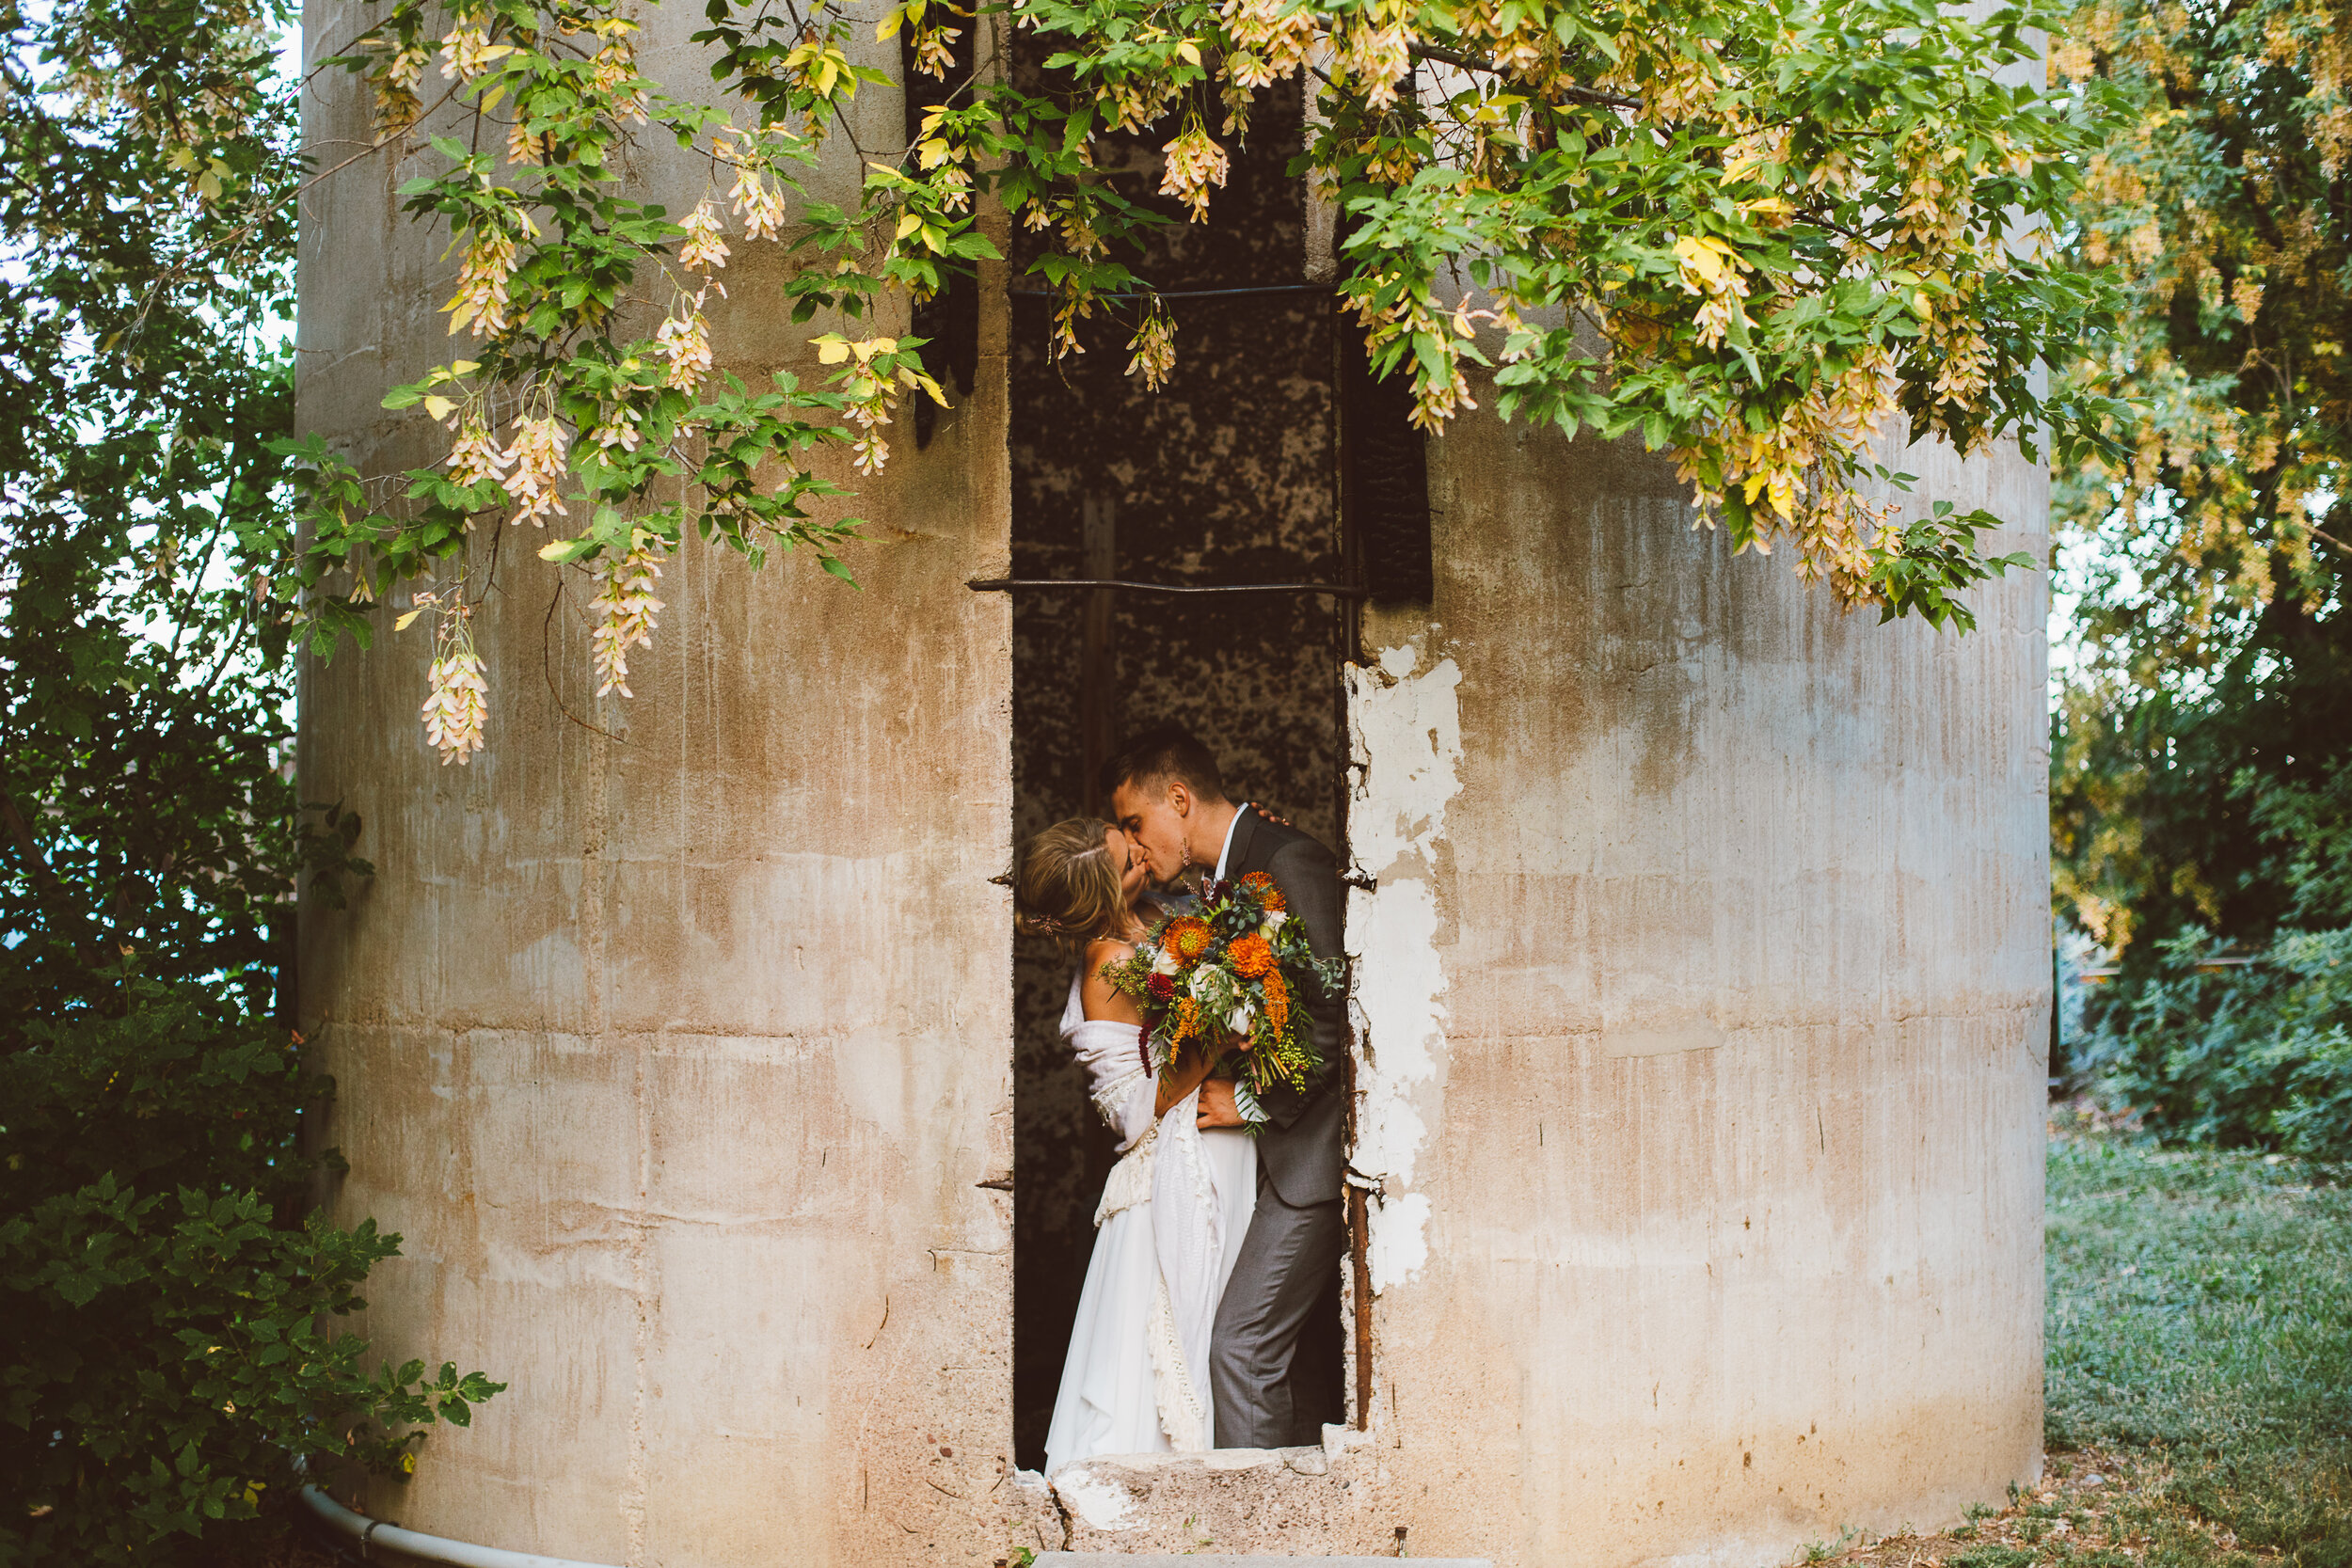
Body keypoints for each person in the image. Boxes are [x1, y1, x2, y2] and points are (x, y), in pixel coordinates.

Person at [1101, 726, 1346, 1450]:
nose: (1136, 847)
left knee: (1239, 1349)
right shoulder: (1224, 879)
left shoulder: (1287, 860)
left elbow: (1335, 1015)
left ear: (1180, 798)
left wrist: (1246, 1102)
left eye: (1137, 824)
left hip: (1308, 1163)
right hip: (1264, 1166)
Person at [1016, 816, 1259, 1475]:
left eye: (1130, 841)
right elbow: (1137, 1105)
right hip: (1176, 1163)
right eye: (1128, 862)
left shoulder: (1151, 915)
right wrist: (1221, 1033)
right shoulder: (1111, 963)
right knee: (1164, 1351)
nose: (1143, 862)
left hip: (1219, 1140)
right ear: (1101, 895)